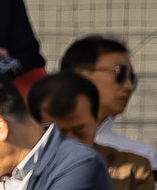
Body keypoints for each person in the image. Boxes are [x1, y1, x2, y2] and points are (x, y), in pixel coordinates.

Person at [58, 35, 152, 166]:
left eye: (132, 78)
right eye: (121, 74)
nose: (129, 86)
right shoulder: (35, 144)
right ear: (82, 75)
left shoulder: (142, 158)